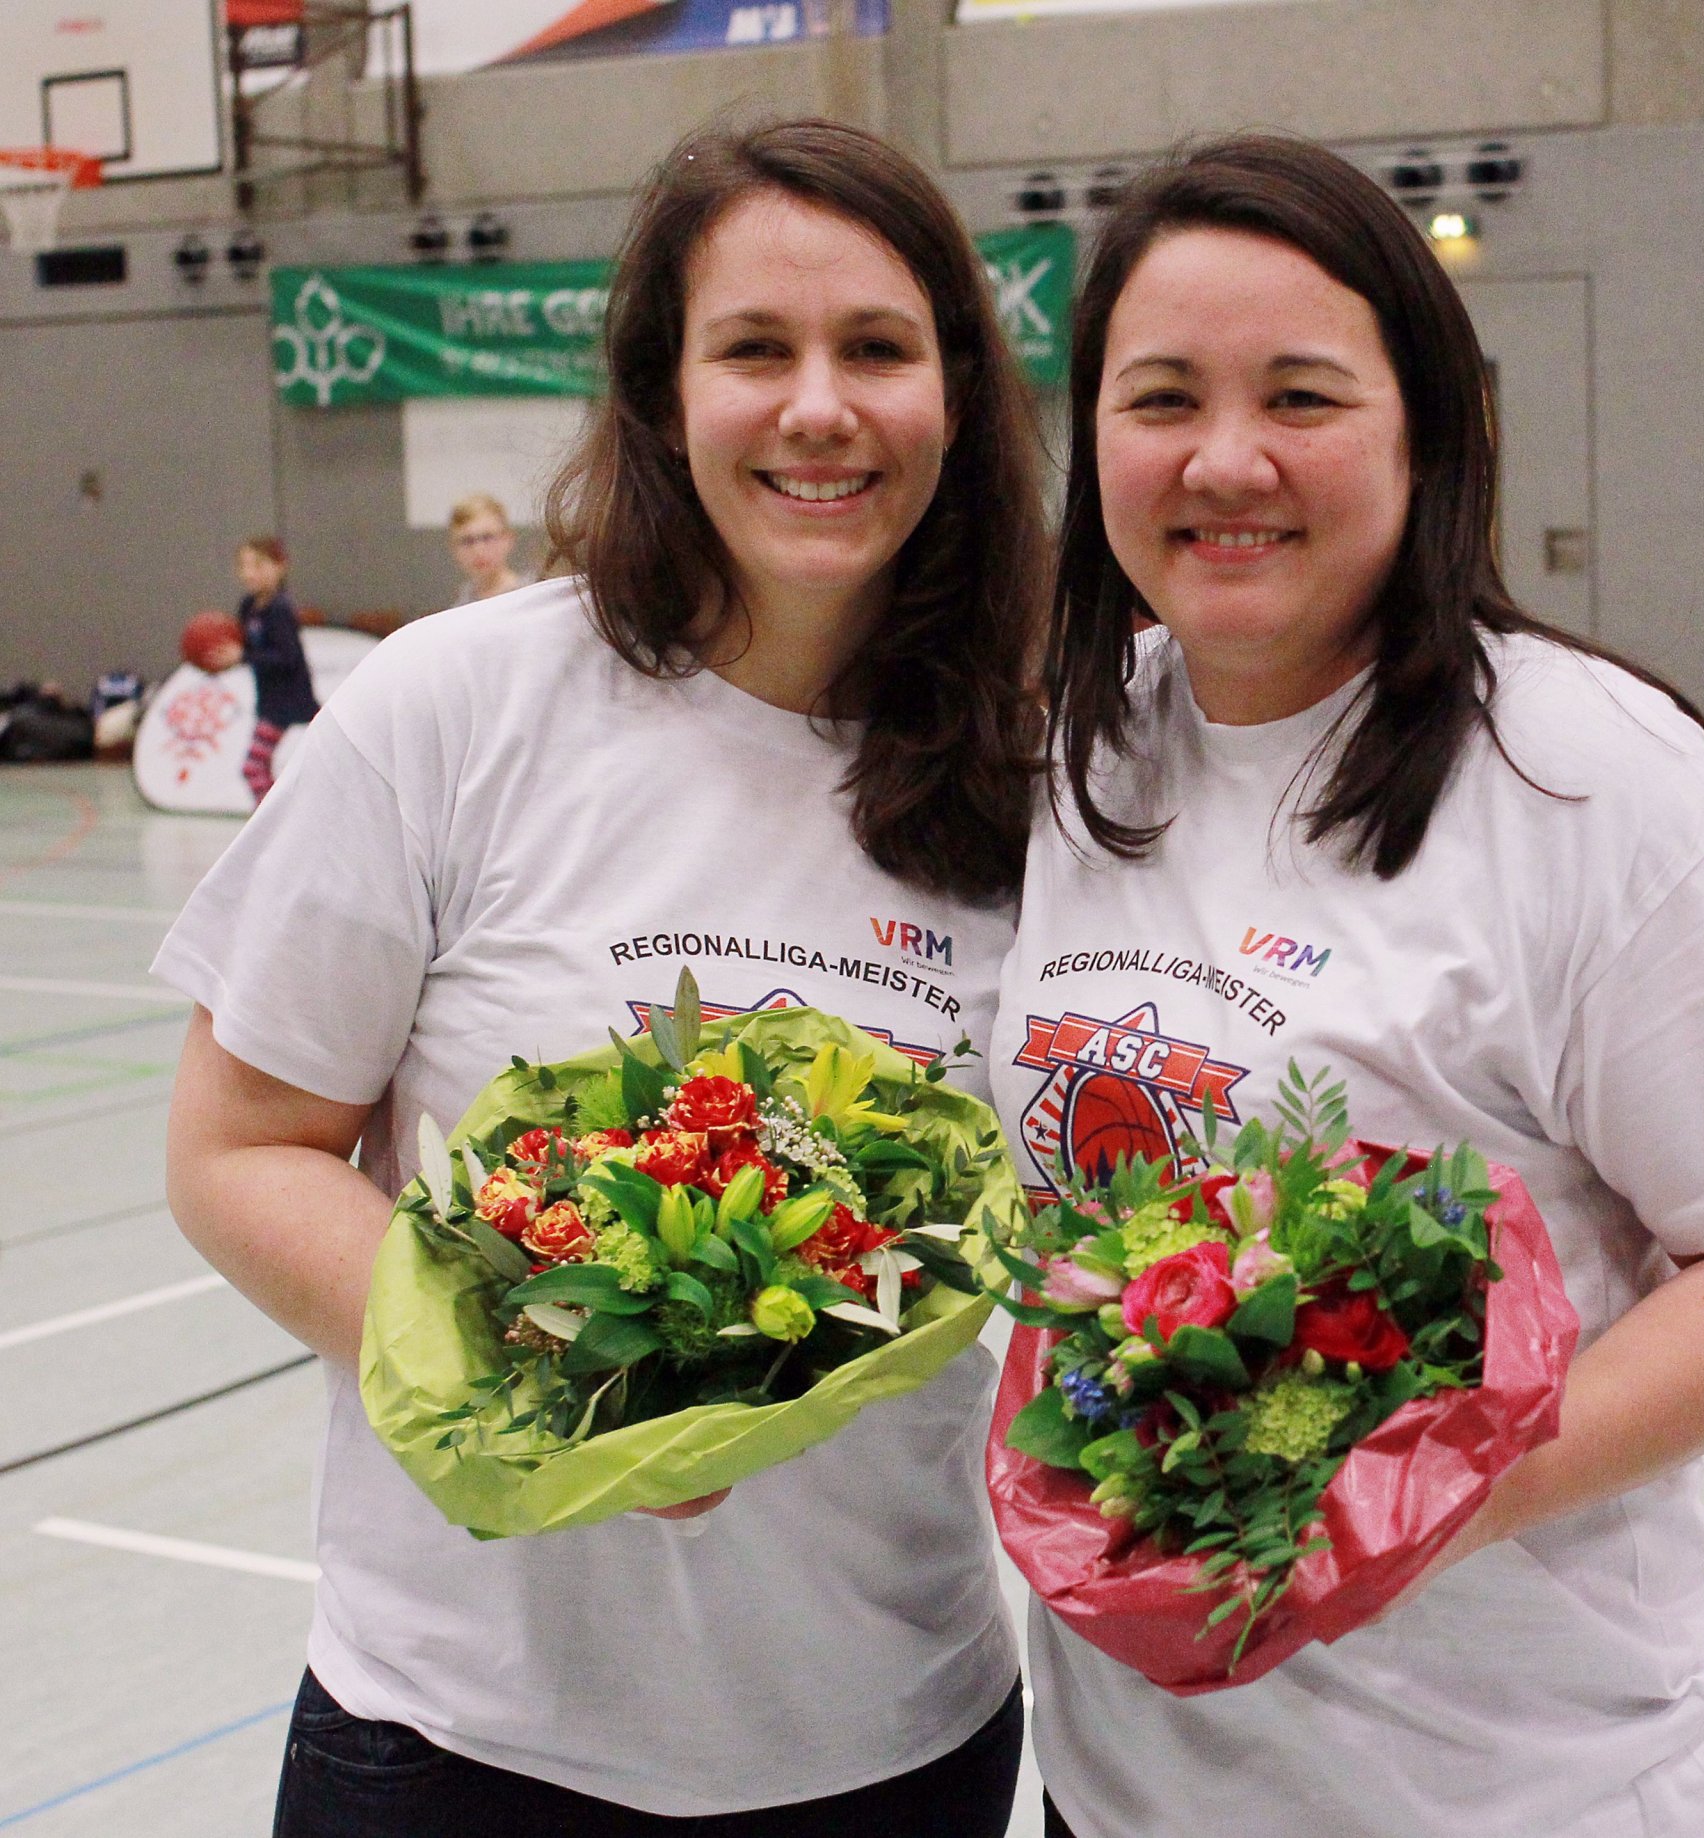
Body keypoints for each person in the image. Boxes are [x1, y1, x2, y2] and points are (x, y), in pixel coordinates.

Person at [989, 135, 1704, 1838]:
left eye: (1304, 395)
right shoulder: (1079, 748)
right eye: (1162, 395)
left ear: (1428, 425)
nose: (1227, 456)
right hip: (1127, 1794)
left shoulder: (1582, 776)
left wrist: (1433, 1497)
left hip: (1519, 1792)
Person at [157, 119, 1047, 1837]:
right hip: (456, 1742)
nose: (818, 407)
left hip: (889, 1740)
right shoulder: (456, 706)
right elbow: (237, 1147)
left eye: (876, 348)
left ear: (956, 390)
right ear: (659, 390)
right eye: (754, 351)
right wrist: (562, 1373)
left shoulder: (1049, 765)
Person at [211, 535, 319, 804]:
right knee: (259, 766)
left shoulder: (279, 610)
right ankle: (277, 822)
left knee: (253, 767)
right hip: (269, 700)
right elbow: (244, 648)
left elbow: (288, 657)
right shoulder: (248, 607)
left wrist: (243, 656)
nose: (249, 573)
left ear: (280, 566)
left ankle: (272, 824)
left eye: (258, 565)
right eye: (243, 566)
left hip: (289, 701)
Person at [448, 491, 529, 602]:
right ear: (454, 548)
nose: (478, 550)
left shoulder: (528, 596)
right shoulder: (462, 601)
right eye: (467, 541)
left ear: (508, 540)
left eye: (487, 537)